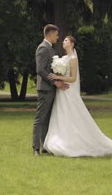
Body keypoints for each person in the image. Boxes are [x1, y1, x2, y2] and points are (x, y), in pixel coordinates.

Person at [43, 36, 112, 157]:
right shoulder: (64, 58)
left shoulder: (73, 58)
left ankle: (75, 141)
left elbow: (73, 78)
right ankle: (61, 138)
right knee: (61, 114)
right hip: (61, 92)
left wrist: (58, 77)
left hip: (68, 90)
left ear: (72, 44)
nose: (63, 42)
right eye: (63, 40)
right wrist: (57, 73)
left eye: (66, 40)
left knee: (72, 114)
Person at [32, 24, 69, 156]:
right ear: (50, 34)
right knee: (40, 118)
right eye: (57, 35)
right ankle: (36, 148)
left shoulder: (51, 49)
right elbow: (40, 70)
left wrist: (60, 79)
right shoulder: (43, 48)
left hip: (51, 89)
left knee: (47, 119)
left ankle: (45, 146)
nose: (58, 37)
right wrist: (55, 82)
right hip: (45, 89)